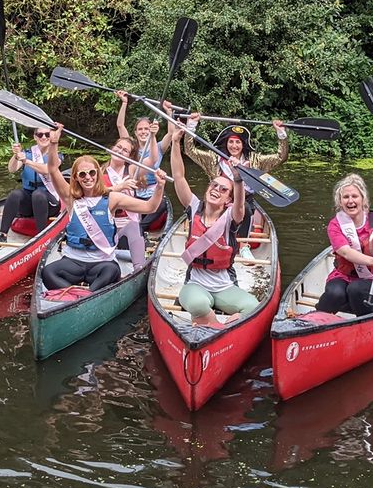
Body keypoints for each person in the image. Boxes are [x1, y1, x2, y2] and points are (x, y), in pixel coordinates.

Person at [39, 124, 164, 292]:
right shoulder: (70, 198)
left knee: (111, 271)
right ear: (76, 177)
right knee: (47, 272)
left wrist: (160, 187)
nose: (88, 177)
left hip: (101, 262)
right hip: (73, 261)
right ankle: (84, 296)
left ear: (97, 174)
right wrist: (54, 143)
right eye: (82, 174)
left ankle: (83, 295)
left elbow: (150, 207)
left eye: (92, 173)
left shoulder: (112, 198)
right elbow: (53, 169)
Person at [165, 106, 259, 328]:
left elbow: (240, 204)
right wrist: (176, 143)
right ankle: (215, 324)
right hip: (196, 284)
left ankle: (217, 326)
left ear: (228, 199)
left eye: (223, 189)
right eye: (214, 185)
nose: (216, 190)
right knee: (198, 304)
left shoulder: (232, 217)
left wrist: (237, 179)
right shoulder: (193, 206)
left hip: (224, 285)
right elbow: (178, 175)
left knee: (253, 307)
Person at [182, 112, 288, 242]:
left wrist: (281, 134)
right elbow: (189, 150)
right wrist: (192, 125)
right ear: (226, 143)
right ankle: (206, 234)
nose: (234, 146)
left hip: (244, 202)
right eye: (231, 142)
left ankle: (243, 244)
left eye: (238, 142)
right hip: (218, 200)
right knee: (207, 206)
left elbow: (281, 157)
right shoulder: (213, 158)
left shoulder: (255, 161)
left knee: (246, 209)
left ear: (243, 144)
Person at [315, 174, 373, 316]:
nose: (350, 201)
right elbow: (345, 252)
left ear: (363, 199)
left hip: (372, 279)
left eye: (355, 196)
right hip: (343, 275)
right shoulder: (335, 224)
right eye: (346, 197)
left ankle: (364, 319)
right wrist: (371, 260)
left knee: (356, 290)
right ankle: (315, 319)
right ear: (340, 202)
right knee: (334, 293)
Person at [116, 90, 175, 230]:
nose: (143, 132)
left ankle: (139, 229)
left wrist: (169, 112)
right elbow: (120, 126)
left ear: (151, 130)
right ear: (136, 133)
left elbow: (171, 133)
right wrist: (124, 103)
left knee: (161, 205)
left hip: (153, 192)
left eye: (146, 129)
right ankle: (135, 227)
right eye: (140, 129)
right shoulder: (131, 146)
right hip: (135, 191)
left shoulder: (159, 147)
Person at [0, 127, 62, 242]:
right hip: (29, 204)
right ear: (35, 137)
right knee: (15, 194)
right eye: (40, 135)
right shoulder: (27, 153)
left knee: (38, 195)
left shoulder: (56, 155)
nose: (44, 137)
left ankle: (41, 236)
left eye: (47, 134)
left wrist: (26, 161)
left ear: (51, 136)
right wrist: (16, 156)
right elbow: (12, 169)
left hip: (49, 203)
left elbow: (47, 169)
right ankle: (2, 234)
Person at [104, 136, 149, 269]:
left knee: (134, 227)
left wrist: (152, 136)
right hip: (104, 226)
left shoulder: (131, 171)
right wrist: (120, 187)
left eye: (125, 150)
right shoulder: (98, 172)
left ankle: (139, 269)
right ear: (112, 148)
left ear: (129, 157)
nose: (120, 151)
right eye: (118, 147)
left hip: (126, 226)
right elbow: (95, 195)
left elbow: (152, 160)